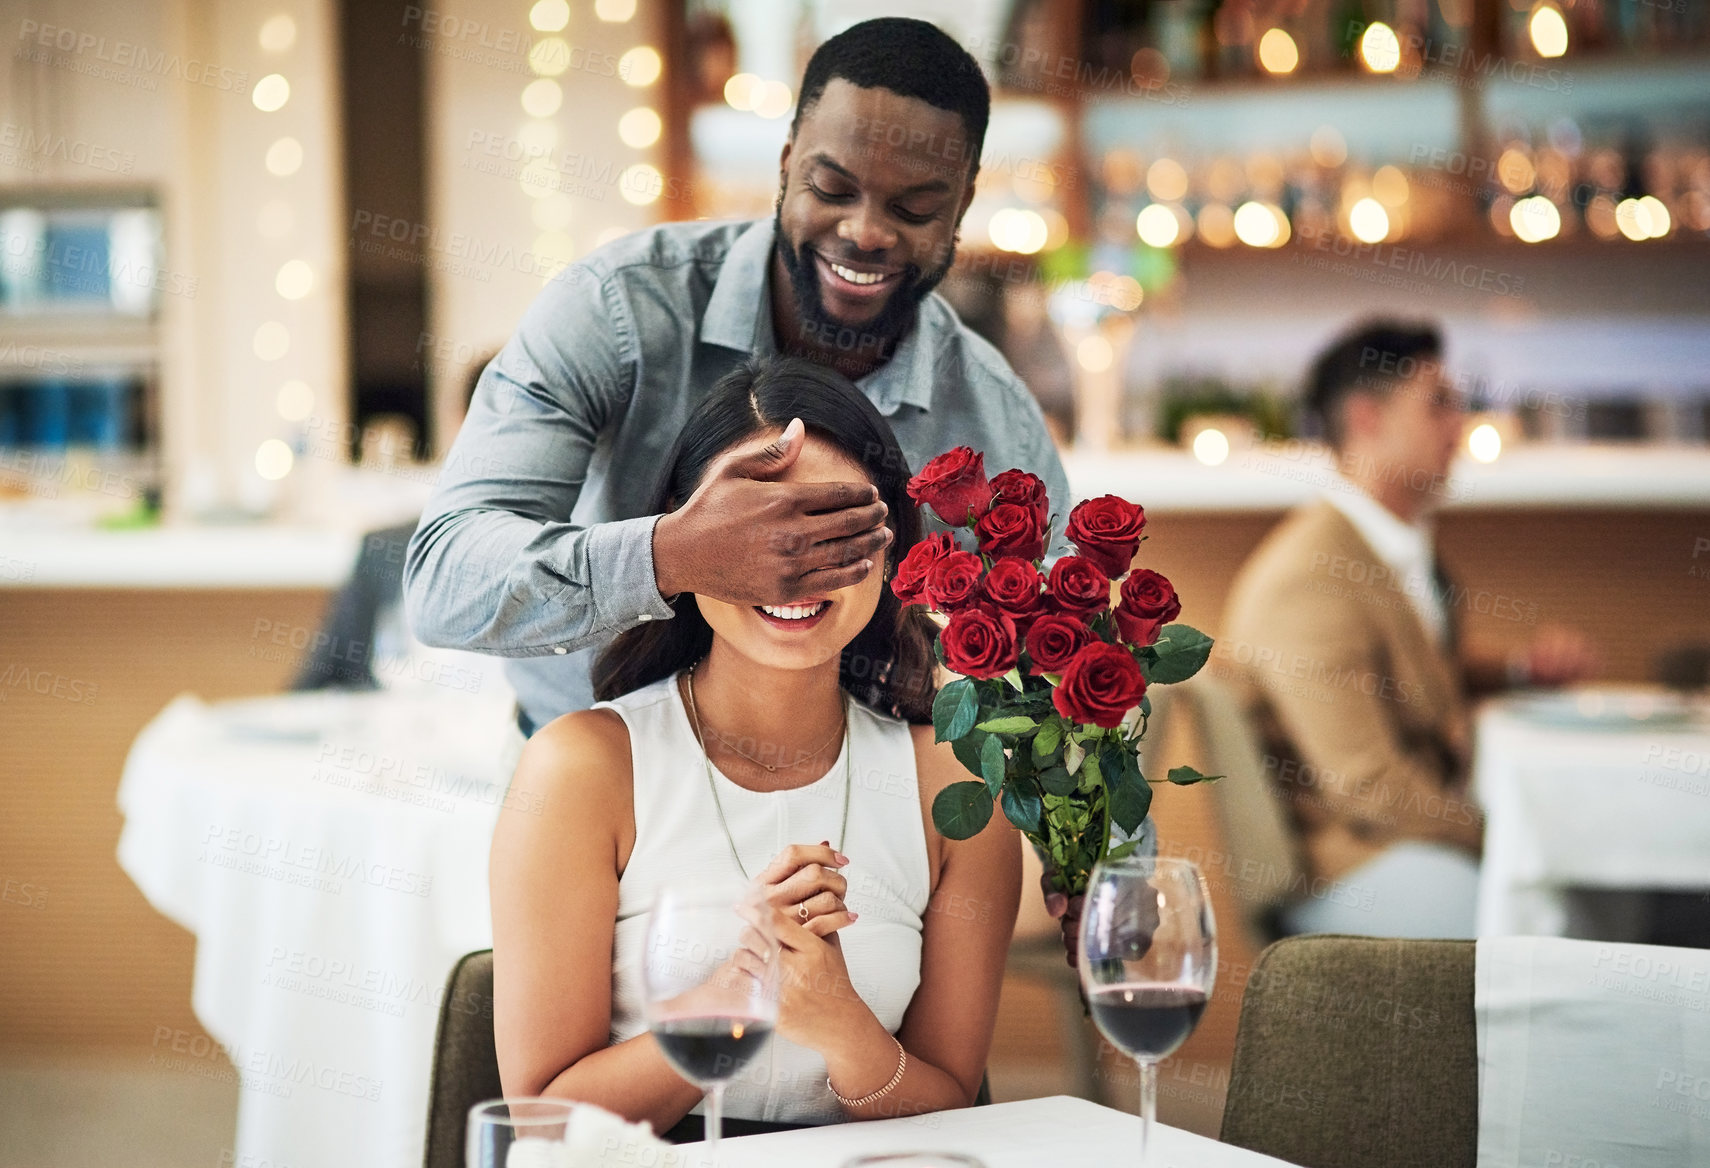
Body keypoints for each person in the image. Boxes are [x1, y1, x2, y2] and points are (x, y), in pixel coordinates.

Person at [402, 17, 1070, 749]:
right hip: (592, 786)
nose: (867, 231)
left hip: (864, 813)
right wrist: (673, 556)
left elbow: (1062, 691)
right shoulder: (617, 308)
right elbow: (445, 585)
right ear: (785, 165)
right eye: (831, 188)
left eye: (913, 209)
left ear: (963, 206)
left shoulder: (993, 416)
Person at [487, 357, 1021, 1134]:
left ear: (892, 545)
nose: (791, 568)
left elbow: (951, 1105)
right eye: (753, 530)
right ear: (682, 536)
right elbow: (541, 1121)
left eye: (831, 526)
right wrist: (737, 995)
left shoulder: (954, 786)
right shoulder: (584, 769)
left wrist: (839, 1020)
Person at [1221, 319, 1597, 938]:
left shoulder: (1381, 545)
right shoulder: (1310, 579)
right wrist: (1510, 837)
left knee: (1590, 899)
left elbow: (1409, 668)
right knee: (1565, 919)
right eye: (1440, 404)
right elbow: (1368, 788)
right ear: (1368, 417)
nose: (1461, 424)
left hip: (1399, 838)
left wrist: (1518, 671)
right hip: (1347, 862)